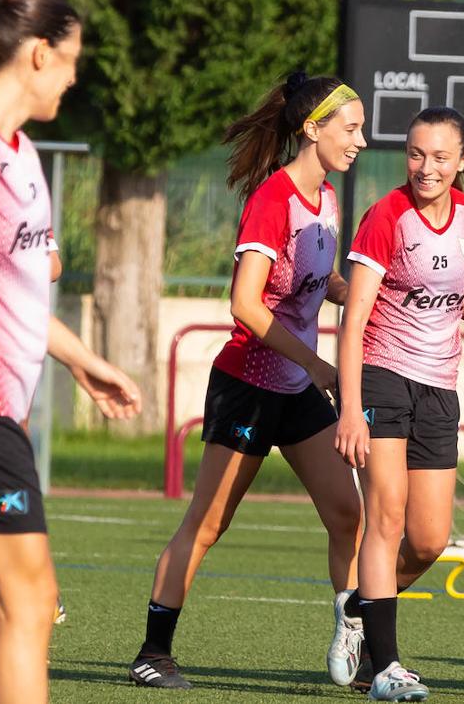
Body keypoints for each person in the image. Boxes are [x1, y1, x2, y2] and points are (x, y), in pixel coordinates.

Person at [128, 72, 366, 689]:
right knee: (208, 523)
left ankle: (360, 647)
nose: (360, 141)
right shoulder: (273, 197)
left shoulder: (329, 200)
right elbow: (247, 304)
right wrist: (317, 365)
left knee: (347, 515)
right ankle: (153, 653)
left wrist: (367, 293)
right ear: (312, 130)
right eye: (351, 128)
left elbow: (324, 283)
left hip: (297, 390)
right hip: (251, 385)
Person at [0, 0, 143, 704]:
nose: (74, 75)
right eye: (70, 60)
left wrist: (84, 360)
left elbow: (17, 286)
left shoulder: (23, 155)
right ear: (39, 55)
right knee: (30, 603)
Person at [334, 106, 464, 702]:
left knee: (428, 540)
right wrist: (351, 408)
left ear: (463, 160)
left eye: (441, 156)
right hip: (382, 378)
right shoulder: (385, 217)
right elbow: (354, 321)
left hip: (439, 386)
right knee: (387, 518)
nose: (426, 167)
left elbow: (454, 292)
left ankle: (358, 608)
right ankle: (386, 668)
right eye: (416, 154)